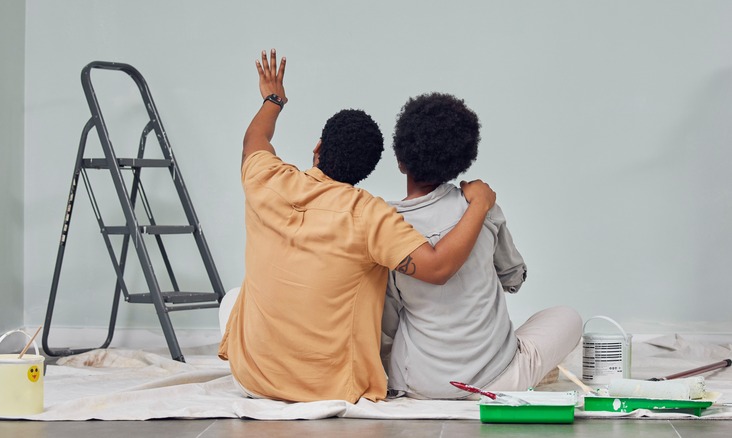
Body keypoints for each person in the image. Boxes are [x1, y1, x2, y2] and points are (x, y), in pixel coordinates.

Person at [217, 50, 498, 404]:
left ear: (318, 147)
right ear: (366, 172)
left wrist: (274, 99)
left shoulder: (266, 179)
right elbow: (439, 266)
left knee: (232, 299)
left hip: (251, 380)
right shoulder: (370, 215)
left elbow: (253, 140)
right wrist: (481, 204)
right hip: (329, 391)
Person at [380, 92, 582, 399]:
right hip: (496, 378)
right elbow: (512, 279)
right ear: (460, 161)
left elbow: (389, 320)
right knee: (568, 317)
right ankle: (528, 369)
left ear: (400, 161)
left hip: (421, 385)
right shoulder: (480, 205)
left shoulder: (387, 225)